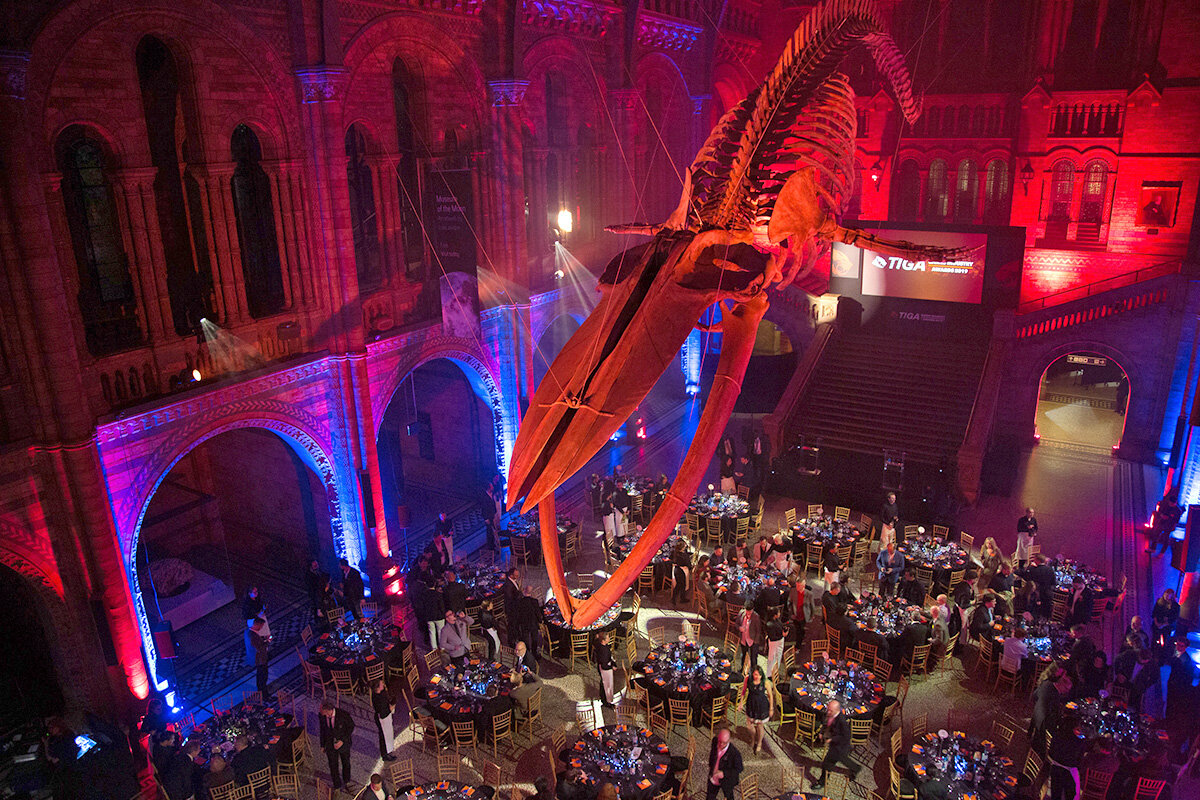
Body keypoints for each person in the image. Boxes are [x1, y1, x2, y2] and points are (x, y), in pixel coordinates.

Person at [812, 699, 857, 789]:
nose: (828, 712)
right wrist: (821, 732)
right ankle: (856, 768)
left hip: (840, 747)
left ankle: (821, 783)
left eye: (830, 710)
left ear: (837, 710)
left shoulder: (842, 721)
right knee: (844, 760)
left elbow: (846, 737)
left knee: (826, 764)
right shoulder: (831, 714)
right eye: (828, 709)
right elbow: (826, 723)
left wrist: (832, 739)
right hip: (835, 745)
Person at [319, 700, 356, 791]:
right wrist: (323, 745)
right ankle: (337, 784)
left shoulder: (343, 715)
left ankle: (347, 781)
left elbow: (351, 727)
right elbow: (322, 730)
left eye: (324, 713)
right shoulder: (321, 715)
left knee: (345, 762)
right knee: (332, 765)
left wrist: (342, 741)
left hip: (343, 744)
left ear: (329, 710)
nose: (323, 715)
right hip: (330, 744)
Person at [739, 666, 774, 754]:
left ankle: (759, 743)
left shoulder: (765, 682)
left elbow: (770, 695)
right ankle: (753, 738)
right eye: (756, 675)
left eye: (759, 675)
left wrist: (771, 708)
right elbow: (743, 691)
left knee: (759, 726)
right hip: (751, 704)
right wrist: (740, 702)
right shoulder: (748, 679)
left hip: (761, 706)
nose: (758, 677)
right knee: (749, 725)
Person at [706, 726, 743, 800]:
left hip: (726, 780)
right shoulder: (715, 741)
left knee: (729, 797)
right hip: (713, 777)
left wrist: (724, 773)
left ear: (729, 740)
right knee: (710, 797)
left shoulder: (734, 753)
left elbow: (739, 769)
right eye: (720, 741)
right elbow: (712, 754)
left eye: (724, 743)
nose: (721, 744)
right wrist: (711, 766)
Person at [371, 677, 397, 760]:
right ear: (378, 688)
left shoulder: (381, 693)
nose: (383, 685)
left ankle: (388, 751)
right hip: (382, 719)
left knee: (388, 734)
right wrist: (391, 708)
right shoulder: (378, 699)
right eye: (382, 684)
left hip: (385, 716)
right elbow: (383, 712)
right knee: (384, 736)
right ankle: (385, 755)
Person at [1152, 589, 1181, 658]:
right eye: (1165, 594)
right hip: (1157, 624)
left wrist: (1164, 624)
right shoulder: (1159, 602)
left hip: (1167, 627)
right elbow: (1154, 613)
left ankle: (1161, 657)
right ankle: (1153, 654)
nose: (1166, 596)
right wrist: (1156, 623)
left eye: (1168, 595)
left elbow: (1174, 618)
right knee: (1154, 640)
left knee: (1165, 643)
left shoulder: (1175, 606)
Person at [249, 615, 272, 699]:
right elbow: (259, 648)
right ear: (256, 625)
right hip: (260, 659)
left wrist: (263, 640)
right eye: (261, 626)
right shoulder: (253, 636)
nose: (261, 628)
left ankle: (262, 691)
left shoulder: (250, 633)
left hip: (258, 659)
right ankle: (264, 694)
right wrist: (267, 642)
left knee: (261, 676)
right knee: (262, 677)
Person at [762, 606, 785, 679]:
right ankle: (770, 675)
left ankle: (775, 673)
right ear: (775, 615)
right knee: (772, 658)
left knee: (778, 657)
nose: (779, 613)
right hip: (774, 643)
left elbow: (780, 627)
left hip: (779, 642)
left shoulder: (777, 620)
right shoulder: (770, 624)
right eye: (778, 612)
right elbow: (772, 638)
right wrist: (782, 635)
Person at [738, 604, 762, 674]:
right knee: (743, 655)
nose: (748, 613)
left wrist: (755, 641)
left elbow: (758, 631)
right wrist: (740, 628)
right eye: (747, 611)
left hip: (752, 640)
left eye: (750, 611)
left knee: (753, 658)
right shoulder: (741, 614)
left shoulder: (756, 617)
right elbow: (736, 624)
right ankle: (742, 668)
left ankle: (754, 672)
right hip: (744, 639)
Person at [595, 631, 615, 707]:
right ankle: (606, 701)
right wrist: (611, 667)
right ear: (603, 640)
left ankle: (604, 698)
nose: (609, 639)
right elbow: (604, 666)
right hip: (604, 668)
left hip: (606, 665)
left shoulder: (602, 645)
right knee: (606, 685)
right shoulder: (602, 651)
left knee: (604, 684)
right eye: (607, 638)